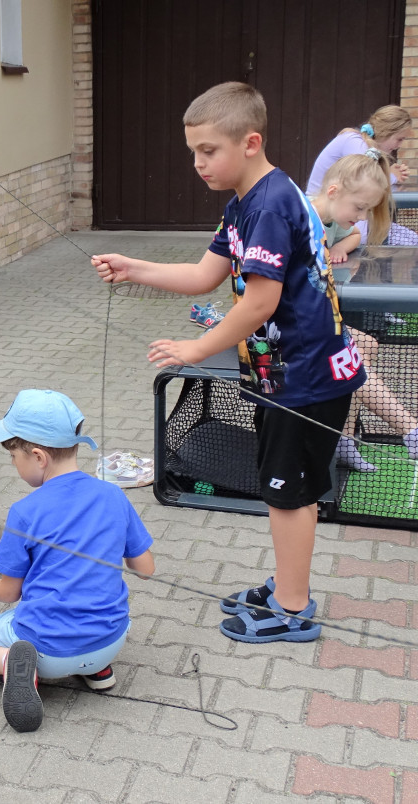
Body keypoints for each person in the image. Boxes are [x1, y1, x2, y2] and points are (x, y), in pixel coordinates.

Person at [91, 81, 368, 645]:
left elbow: (260, 302)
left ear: (250, 142)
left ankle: (293, 609)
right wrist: (133, 267)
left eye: (207, 151)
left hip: (305, 377)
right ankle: (289, 585)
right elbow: (204, 275)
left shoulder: (269, 204)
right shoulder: (245, 202)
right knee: (286, 492)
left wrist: (195, 349)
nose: (197, 163)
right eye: (192, 151)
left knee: (289, 495)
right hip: (283, 374)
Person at [0, 389, 155, 733]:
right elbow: (146, 570)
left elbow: (8, 592)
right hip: (111, 640)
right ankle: (96, 670)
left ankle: (18, 666)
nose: (14, 465)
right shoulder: (113, 495)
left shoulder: (25, 512)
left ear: (39, 457)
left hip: (51, 656)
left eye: (14, 457)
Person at [309, 151, 418, 472]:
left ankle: (343, 440)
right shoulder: (300, 218)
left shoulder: (334, 220)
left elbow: (354, 235)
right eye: (358, 208)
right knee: (352, 351)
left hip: (311, 317)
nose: (360, 218)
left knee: (366, 343)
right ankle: (411, 431)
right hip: (283, 332)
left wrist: (338, 247)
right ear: (333, 192)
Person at [305, 105, 417, 246]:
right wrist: (392, 176)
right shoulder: (355, 143)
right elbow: (366, 182)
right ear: (388, 131)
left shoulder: (359, 143)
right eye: (399, 139)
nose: (399, 145)